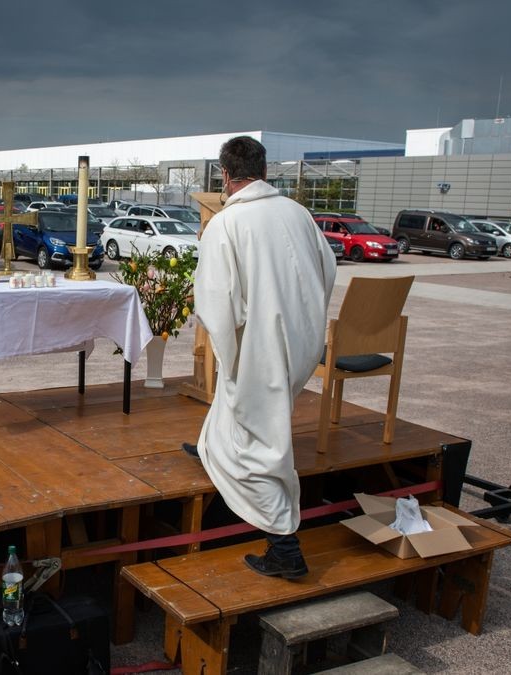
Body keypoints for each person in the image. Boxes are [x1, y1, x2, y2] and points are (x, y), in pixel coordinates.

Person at [189, 136, 337, 579]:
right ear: (265, 172)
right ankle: (209, 447)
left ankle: (284, 546)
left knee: (262, 440)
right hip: (302, 337)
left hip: (263, 342)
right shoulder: (298, 213)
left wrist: (232, 348)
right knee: (240, 409)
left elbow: (217, 303)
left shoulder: (227, 224)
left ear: (225, 175)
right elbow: (327, 270)